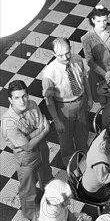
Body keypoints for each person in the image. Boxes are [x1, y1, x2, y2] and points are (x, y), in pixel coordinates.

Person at [1, 80, 52, 221]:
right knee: (28, 187)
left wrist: (31, 136)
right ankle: (30, 214)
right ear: (10, 99)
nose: (22, 101)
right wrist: (41, 131)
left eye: (24, 96)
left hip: (41, 147)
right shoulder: (8, 123)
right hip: (26, 156)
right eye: (17, 98)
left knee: (46, 172)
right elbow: (28, 146)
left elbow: (41, 127)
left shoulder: (33, 105)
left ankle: (49, 195)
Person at [42, 38, 92, 168]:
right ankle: (70, 163)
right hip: (63, 107)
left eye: (67, 52)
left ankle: (84, 150)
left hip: (81, 101)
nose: (65, 57)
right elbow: (49, 100)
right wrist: (56, 120)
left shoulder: (77, 60)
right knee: (66, 138)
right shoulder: (49, 74)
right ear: (53, 54)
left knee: (82, 130)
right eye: (60, 55)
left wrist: (90, 98)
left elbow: (85, 80)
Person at [82, 4, 110, 106]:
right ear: (92, 20)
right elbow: (89, 61)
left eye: (105, 20)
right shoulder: (86, 38)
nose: (102, 24)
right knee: (104, 100)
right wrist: (105, 74)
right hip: (98, 73)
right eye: (99, 21)